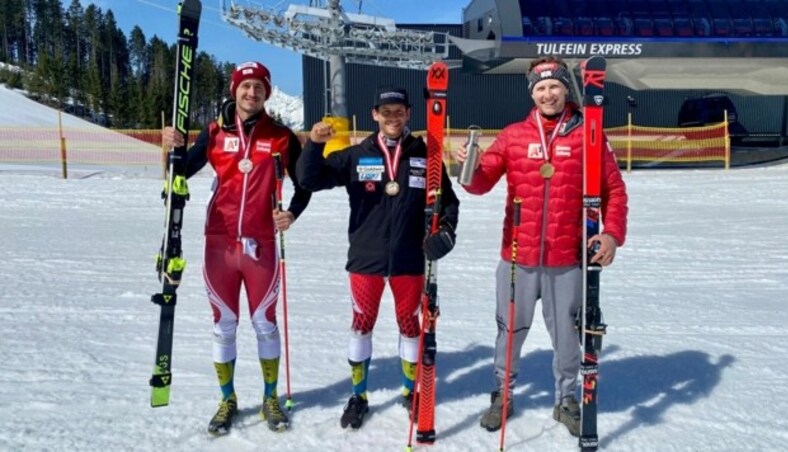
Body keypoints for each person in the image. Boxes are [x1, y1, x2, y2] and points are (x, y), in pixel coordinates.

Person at [454, 57, 628, 436]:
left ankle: (566, 399)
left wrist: (611, 234)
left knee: (567, 332)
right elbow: (481, 183)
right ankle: (502, 395)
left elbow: (614, 189)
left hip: (567, 257)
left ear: (566, 88)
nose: (547, 94)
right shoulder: (514, 135)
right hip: (517, 257)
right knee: (509, 329)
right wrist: (468, 167)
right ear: (532, 93)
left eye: (554, 86)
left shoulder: (589, 134)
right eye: (540, 88)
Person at [162, 61, 312, 435]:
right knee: (224, 325)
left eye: (259, 88)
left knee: (264, 323)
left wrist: (291, 213)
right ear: (235, 91)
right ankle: (227, 399)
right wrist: (173, 151)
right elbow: (180, 172)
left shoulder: (281, 136)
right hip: (219, 243)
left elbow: (305, 183)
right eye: (245, 87)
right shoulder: (213, 132)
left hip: (262, 244)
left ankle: (270, 397)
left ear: (267, 93)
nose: (251, 94)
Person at [297, 86, 459, 429]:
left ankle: (410, 392)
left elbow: (448, 201)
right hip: (366, 259)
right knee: (361, 324)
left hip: (410, 258)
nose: (392, 117)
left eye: (398, 111)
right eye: (386, 112)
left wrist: (446, 231)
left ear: (408, 113)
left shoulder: (425, 155)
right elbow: (309, 179)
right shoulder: (357, 155)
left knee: (409, 325)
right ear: (375, 115)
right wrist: (314, 144)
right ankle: (359, 396)